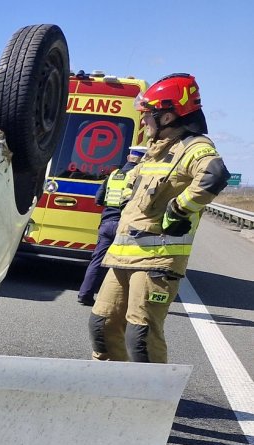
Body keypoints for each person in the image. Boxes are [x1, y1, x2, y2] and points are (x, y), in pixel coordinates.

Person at [89, 74, 230, 363]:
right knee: (101, 325)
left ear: (167, 116)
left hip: (156, 260)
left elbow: (214, 175)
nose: (143, 121)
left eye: (147, 114)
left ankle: (149, 390)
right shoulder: (153, 152)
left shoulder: (194, 147)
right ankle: (111, 383)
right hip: (123, 256)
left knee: (140, 336)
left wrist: (179, 209)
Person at [77, 146, 146, 305]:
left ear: (128, 157)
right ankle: (123, 302)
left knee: (97, 261)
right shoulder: (141, 177)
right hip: (126, 226)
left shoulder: (114, 175)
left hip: (107, 224)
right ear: (144, 160)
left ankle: (84, 294)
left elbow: (98, 199)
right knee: (126, 265)